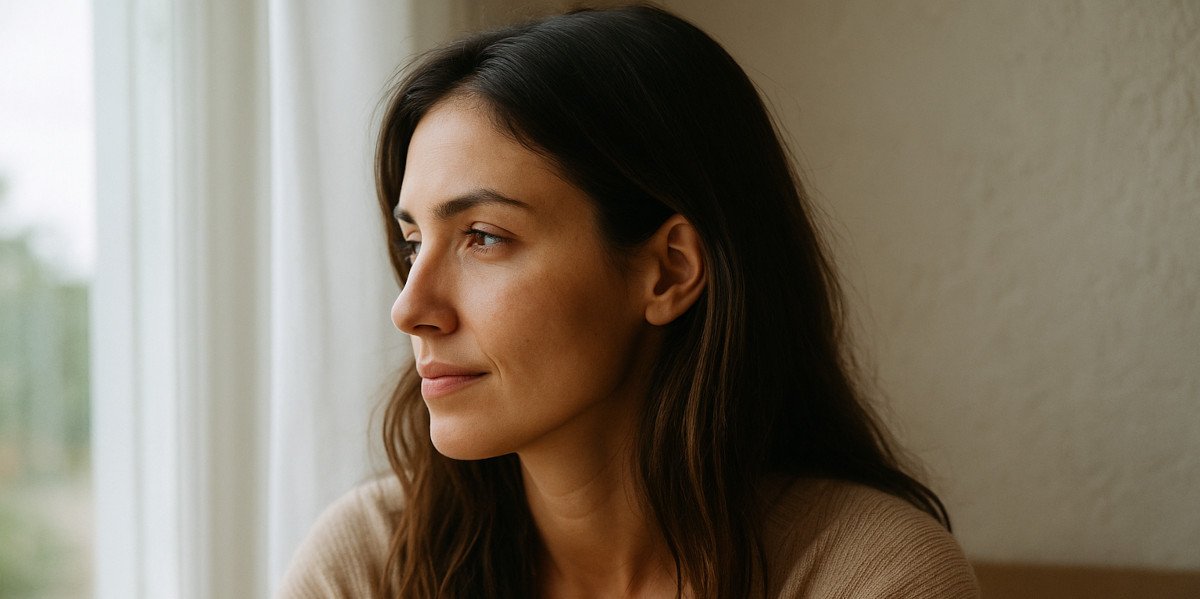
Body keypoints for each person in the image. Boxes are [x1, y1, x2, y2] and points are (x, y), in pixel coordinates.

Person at [277, 4, 979, 598]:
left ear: (669, 271)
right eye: (411, 244)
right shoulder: (371, 563)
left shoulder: (872, 575)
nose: (410, 307)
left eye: (483, 237)